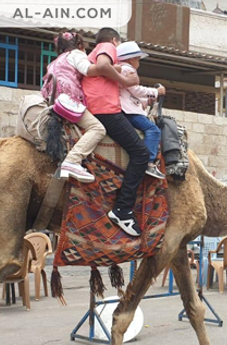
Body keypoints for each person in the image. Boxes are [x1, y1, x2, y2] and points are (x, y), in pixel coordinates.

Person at [83, 28, 149, 237]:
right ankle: (122, 209)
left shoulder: (92, 56)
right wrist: (126, 80)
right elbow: (104, 66)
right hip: (105, 109)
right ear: (114, 40)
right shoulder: (107, 47)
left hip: (98, 107)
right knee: (141, 153)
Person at [41, 31, 107, 183]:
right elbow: (88, 70)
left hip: (55, 100)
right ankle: (73, 160)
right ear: (79, 45)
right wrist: (107, 69)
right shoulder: (76, 54)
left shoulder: (55, 61)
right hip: (68, 100)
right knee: (97, 128)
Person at [116, 41, 167, 180]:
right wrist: (156, 92)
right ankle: (149, 163)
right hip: (129, 111)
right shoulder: (128, 70)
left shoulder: (120, 68)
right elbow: (136, 90)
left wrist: (146, 101)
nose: (139, 62)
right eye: (138, 59)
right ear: (132, 59)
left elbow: (130, 94)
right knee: (154, 130)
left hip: (125, 108)